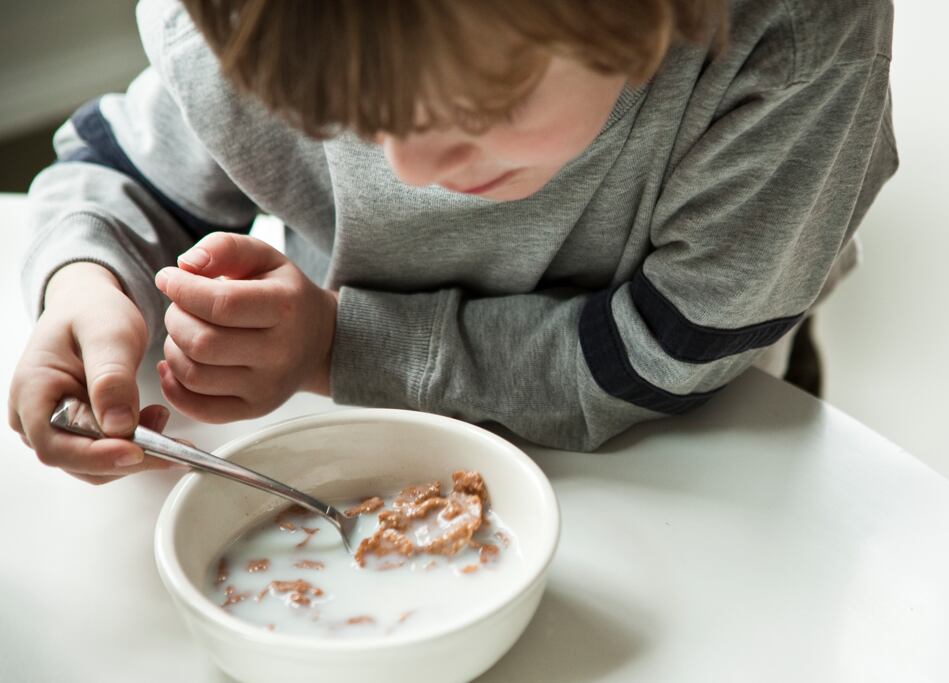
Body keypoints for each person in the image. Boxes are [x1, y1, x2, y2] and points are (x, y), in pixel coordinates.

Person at [8, 0, 897, 484]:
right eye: (345, 119)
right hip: (354, 426)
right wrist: (86, 284)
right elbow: (120, 170)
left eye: (479, 112)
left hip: (695, 427)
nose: (407, 165)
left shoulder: (795, 37)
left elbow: (666, 353)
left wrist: (338, 344)